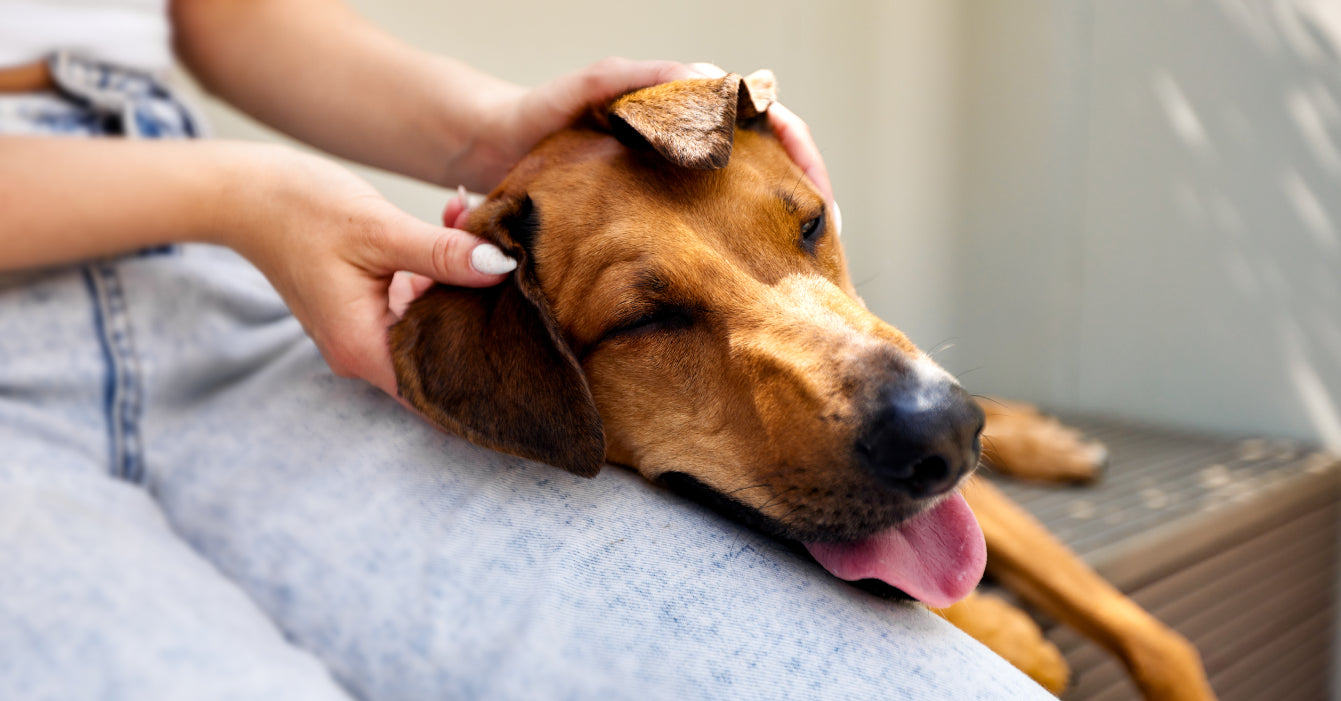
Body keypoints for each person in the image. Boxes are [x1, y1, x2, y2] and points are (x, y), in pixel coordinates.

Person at [0, 1, 1052, 699]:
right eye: (654, 314)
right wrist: (243, 192)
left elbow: (215, 13)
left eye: (810, 225)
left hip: (213, 286)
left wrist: (486, 125)